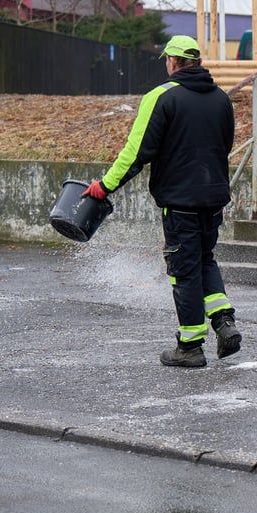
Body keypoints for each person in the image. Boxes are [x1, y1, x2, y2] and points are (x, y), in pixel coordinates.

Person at [82, 34, 242, 368]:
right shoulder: (220, 98)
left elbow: (136, 152)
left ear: (172, 61)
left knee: (183, 271)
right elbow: (224, 145)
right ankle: (224, 321)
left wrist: (104, 186)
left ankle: (190, 345)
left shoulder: (161, 96)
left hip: (180, 201)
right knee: (204, 260)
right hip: (213, 198)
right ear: (196, 61)